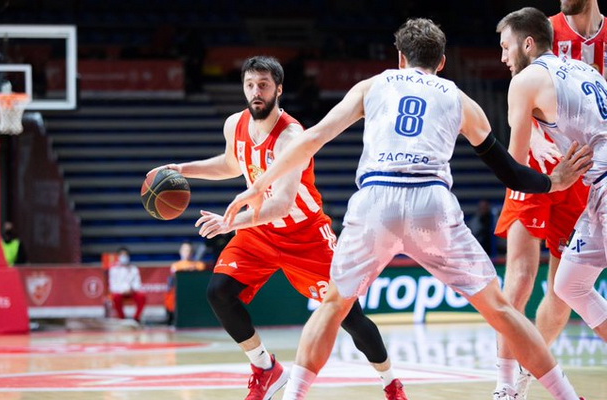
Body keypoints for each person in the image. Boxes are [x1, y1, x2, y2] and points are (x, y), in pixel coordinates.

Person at [223, 18, 591, 400]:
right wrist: (553, 181)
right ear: (442, 62)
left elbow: (312, 139)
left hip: (376, 200)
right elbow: (510, 172)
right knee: (500, 308)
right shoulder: (460, 99)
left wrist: (259, 185)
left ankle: (293, 396)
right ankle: (566, 396)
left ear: (400, 57)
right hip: (431, 202)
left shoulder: (372, 85)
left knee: (333, 306)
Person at [148, 56, 405, 400]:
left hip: (305, 235)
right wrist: (183, 169)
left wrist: (230, 222)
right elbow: (231, 164)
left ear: (278, 90)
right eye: (250, 85)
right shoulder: (235, 124)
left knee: (348, 315)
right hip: (259, 232)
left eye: (264, 85)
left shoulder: (291, 136)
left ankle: (391, 383)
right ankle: (265, 368)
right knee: (219, 292)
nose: (256, 92)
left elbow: (282, 203)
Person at [493, 1, 606, 398]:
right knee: (569, 284)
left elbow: (513, 167)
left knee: (559, 288)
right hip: (590, 184)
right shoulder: (582, 69)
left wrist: (554, 181)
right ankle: (509, 382)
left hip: (583, 180)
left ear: (527, 44)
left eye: (505, 48)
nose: (502, 58)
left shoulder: (525, 81)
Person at [165, 242, 207, 325]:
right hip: (180, 293)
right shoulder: (176, 265)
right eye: (184, 250)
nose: (186, 252)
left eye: (188, 250)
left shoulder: (199, 265)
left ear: (192, 252)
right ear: (180, 252)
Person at [108, 247, 146, 323]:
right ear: (118, 256)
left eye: (125, 255)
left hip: (132, 291)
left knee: (142, 296)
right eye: (122, 255)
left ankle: (136, 318)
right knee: (116, 297)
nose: (124, 257)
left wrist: (131, 289)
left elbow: (137, 283)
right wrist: (123, 291)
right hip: (119, 292)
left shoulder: (134, 269)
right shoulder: (114, 269)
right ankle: (122, 318)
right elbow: (113, 285)